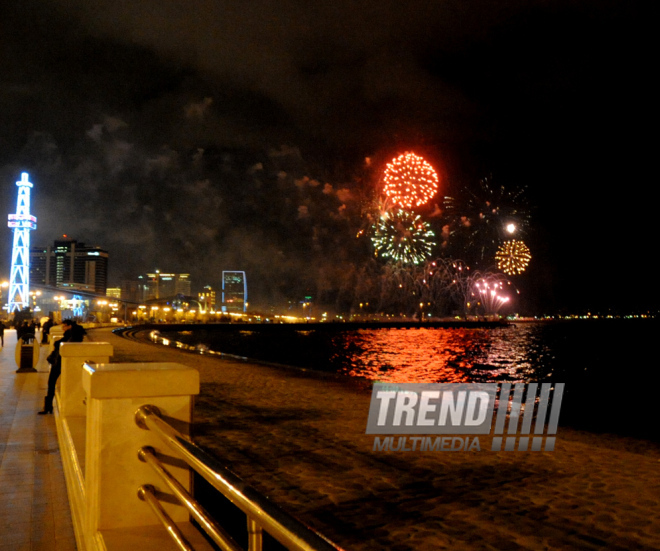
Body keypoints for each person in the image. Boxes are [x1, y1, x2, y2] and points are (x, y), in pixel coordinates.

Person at [38, 319, 87, 415]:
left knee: (51, 382)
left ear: (69, 326)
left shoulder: (71, 336)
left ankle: (48, 407)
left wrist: (57, 344)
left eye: (64, 326)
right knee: (51, 382)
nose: (62, 328)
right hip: (60, 361)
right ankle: (48, 406)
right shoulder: (72, 334)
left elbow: (65, 345)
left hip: (60, 362)